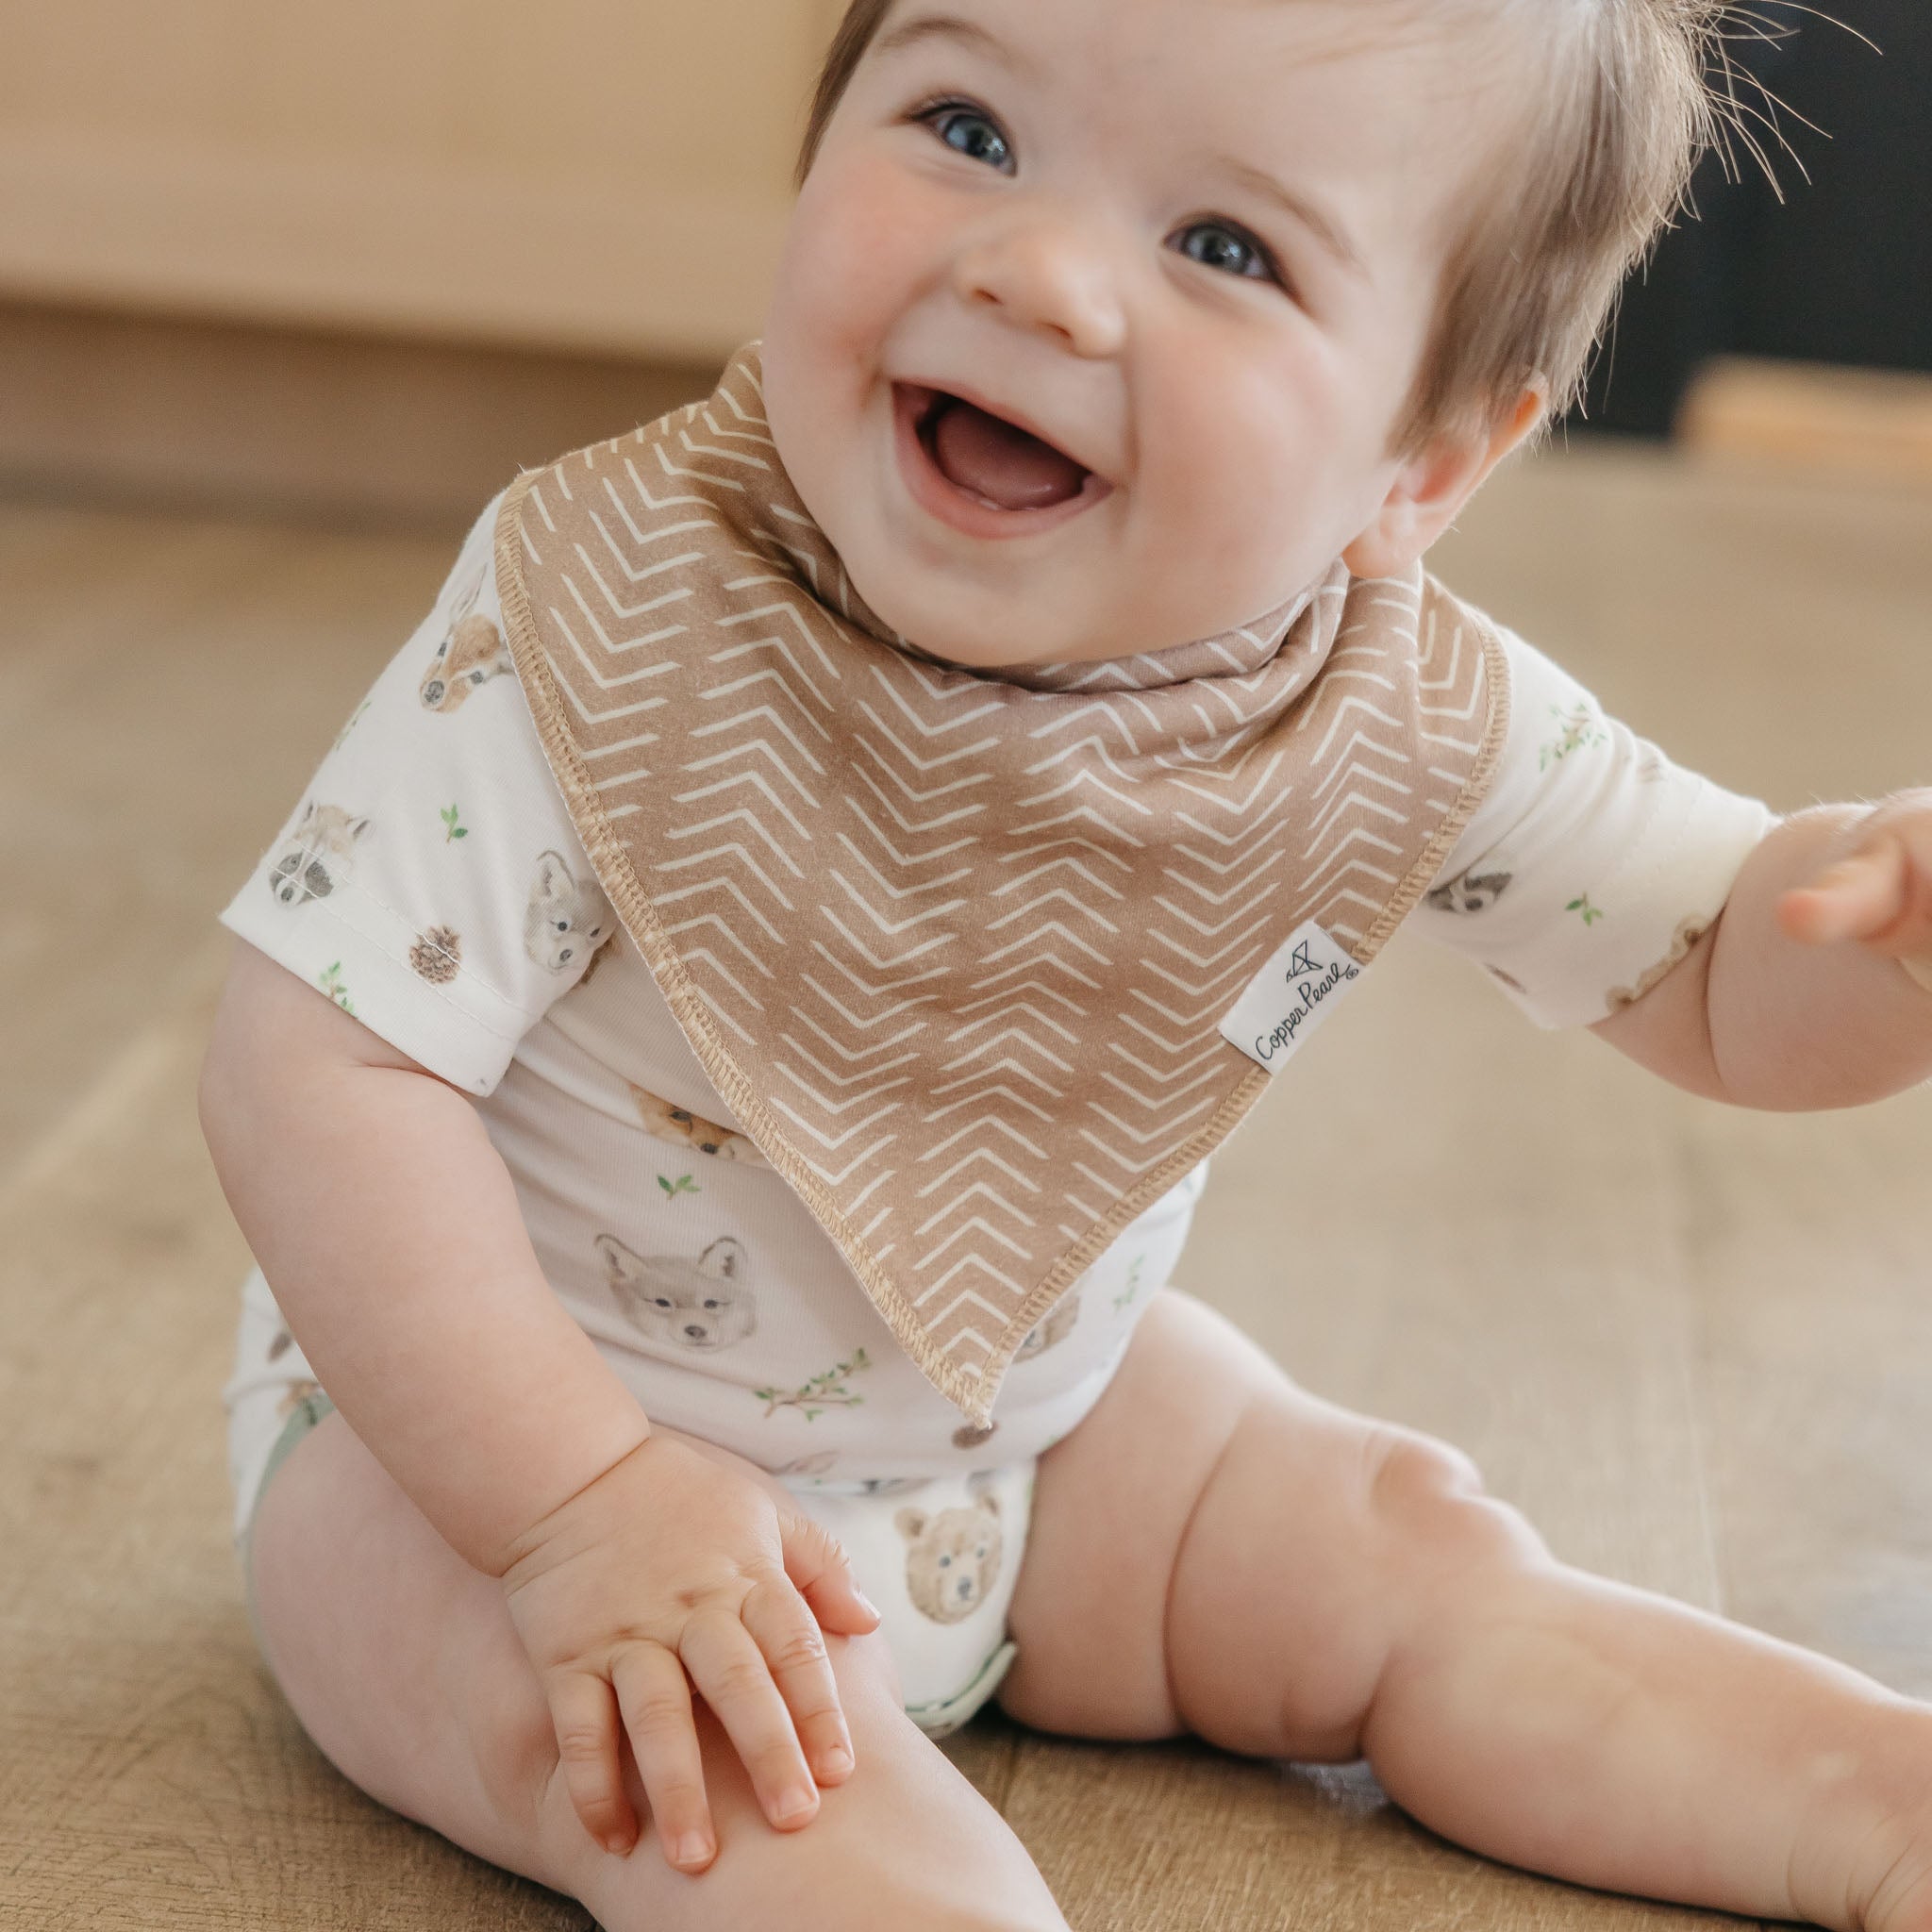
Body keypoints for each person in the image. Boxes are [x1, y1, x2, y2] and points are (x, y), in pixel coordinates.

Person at [198, 3, 1932, 1928]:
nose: (1036, 273)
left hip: (1031, 1439)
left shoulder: (1390, 706)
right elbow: (317, 1065)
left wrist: (1887, 940)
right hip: (490, 1467)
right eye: (967, 127)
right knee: (726, 1782)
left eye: (1223, 246)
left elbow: (1713, 972)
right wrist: (572, 1506)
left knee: (1406, 1542)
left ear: (1427, 462)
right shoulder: (603, 613)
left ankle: (1870, 1801)